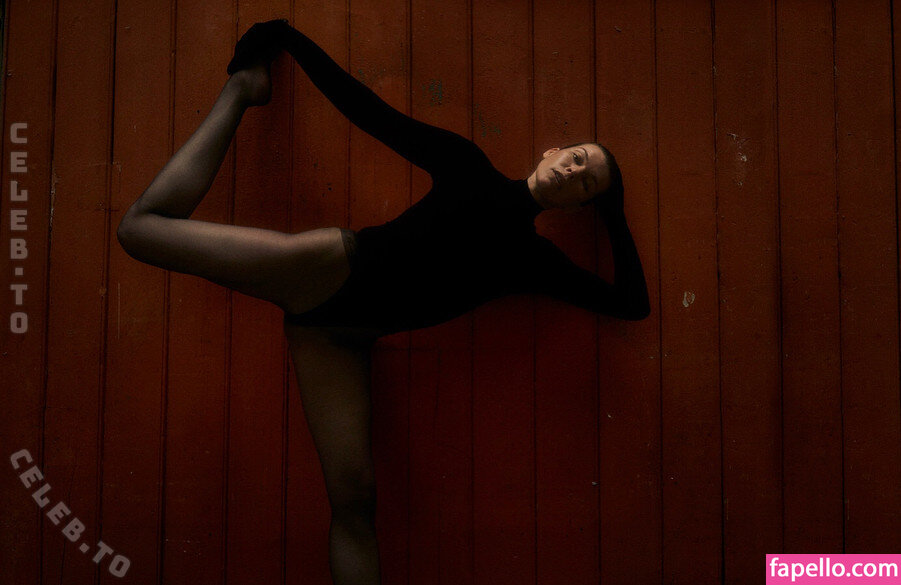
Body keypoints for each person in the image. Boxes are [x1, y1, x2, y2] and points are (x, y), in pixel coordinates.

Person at [116, 19, 649, 585]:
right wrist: (289, 39)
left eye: (586, 182)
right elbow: (368, 111)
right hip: (328, 269)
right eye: (577, 158)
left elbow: (629, 303)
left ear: (580, 206)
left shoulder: (536, 262)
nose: (572, 172)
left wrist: (613, 210)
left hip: (338, 338)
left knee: (355, 503)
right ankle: (242, 90)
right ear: (553, 151)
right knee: (139, 231)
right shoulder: (467, 165)